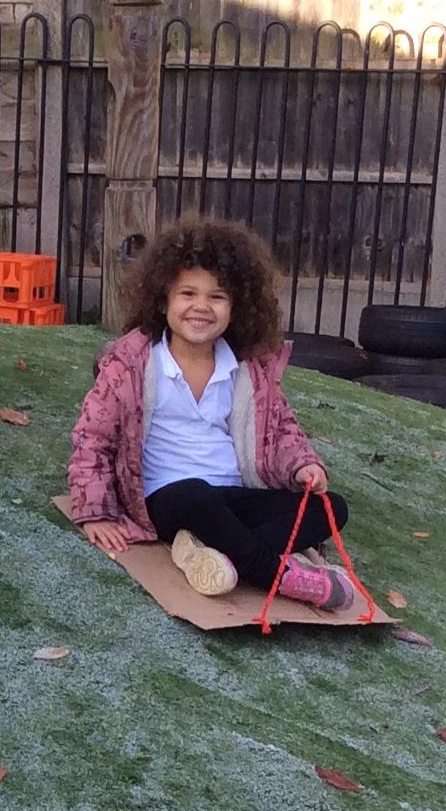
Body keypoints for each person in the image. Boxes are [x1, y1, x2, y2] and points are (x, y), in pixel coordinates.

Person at [65, 218, 354, 609]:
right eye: (187, 293)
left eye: (217, 297)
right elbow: (92, 439)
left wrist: (303, 465)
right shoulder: (131, 364)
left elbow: (281, 428)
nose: (201, 307)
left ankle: (214, 556)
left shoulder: (247, 367)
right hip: (169, 498)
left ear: (236, 307)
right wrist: (95, 513)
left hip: (233, 494)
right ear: (163, 299)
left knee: (332, 508)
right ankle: (282, 577)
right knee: (196, 496)